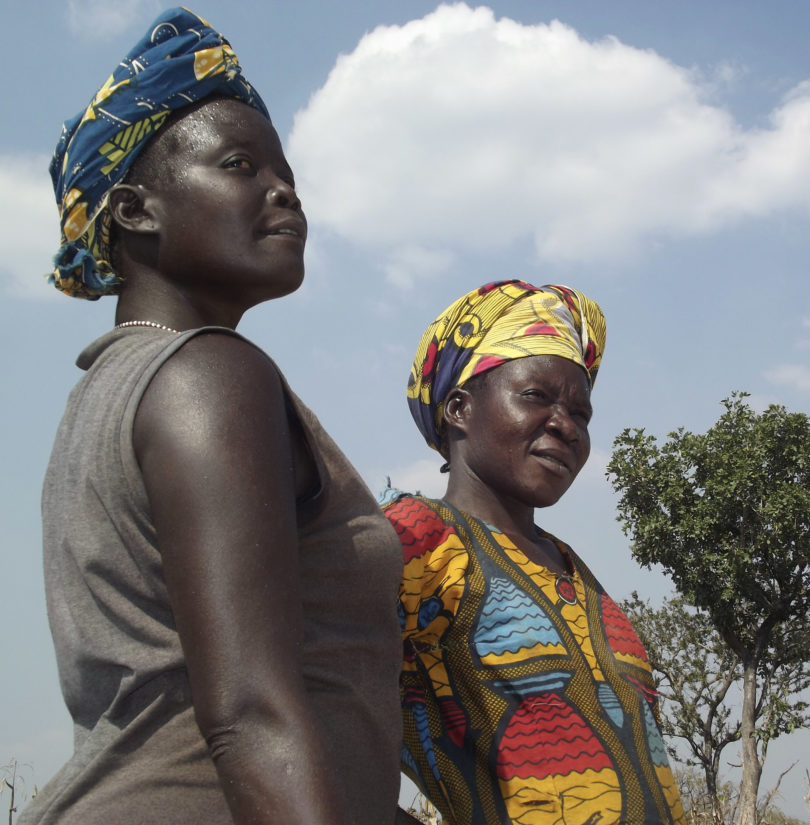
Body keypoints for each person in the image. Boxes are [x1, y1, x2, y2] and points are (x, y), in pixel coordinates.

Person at [23, 8, 402, 825]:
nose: (284, 190)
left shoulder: (111, 389)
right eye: (239, 164)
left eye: (286, 171)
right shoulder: (208, 375)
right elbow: (249, 713)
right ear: (134, 211)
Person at [384, 280, 687, 824]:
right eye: (536, 396)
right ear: (458, 408)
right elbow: (284, 700)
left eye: (582, 413)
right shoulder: (420, 536)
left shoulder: (572, 566)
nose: (566, 426)